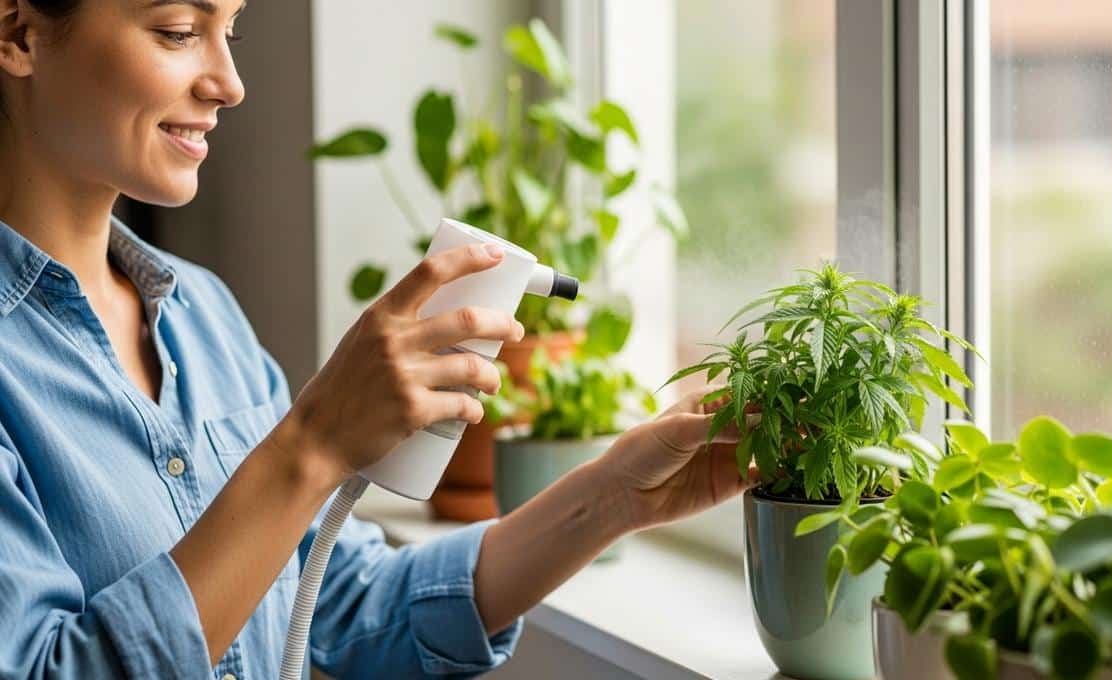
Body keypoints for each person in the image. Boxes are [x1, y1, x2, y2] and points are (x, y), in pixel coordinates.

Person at [0, 1, 757, 677]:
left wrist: (616, 495)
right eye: (179, 32)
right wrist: (314, 443)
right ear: (19, 33)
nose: (229, 83)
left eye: (230, 31)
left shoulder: (206, 319)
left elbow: (344, 604)